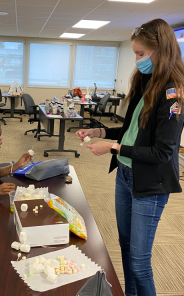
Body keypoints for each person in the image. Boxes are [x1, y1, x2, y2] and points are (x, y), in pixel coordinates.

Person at [76, 18, 184, 296]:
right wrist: (101, 130)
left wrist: (112, 147)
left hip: (150, 182)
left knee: (139, 261)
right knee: (125, 246)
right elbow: (131, 130)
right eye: (134, 54)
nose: (137, 60)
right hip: (125, 175)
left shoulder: (173, 93)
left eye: (141, 54)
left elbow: (162, 151)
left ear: (161, 50)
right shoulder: (146, 81)